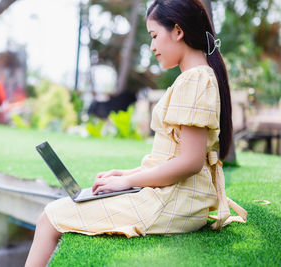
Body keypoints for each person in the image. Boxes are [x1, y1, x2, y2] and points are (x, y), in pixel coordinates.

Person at [25, 0, 247, 266]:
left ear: (178, 31)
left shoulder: (195, 79)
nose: (152, 46)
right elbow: (174, 156)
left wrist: (129, 183)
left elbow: (190, 161)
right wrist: (127, 175)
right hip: (175, 198)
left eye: (155, 36)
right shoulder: (198, 76)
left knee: (51, 216)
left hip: (172, 203)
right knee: (64, 209)